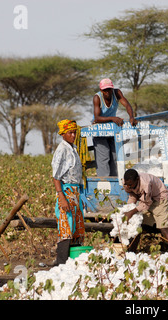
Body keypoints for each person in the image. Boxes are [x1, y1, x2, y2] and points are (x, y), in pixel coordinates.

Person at [51, 119, 86, 266]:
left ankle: (74, 263)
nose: (73, 135)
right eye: (70, 133)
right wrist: (62, 198)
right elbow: (56, 176)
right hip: (65, 192)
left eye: (74, 132)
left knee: (77, 228)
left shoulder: (73, 148)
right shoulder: (62, 150)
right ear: (63, 134)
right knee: (66, 227)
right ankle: (61, 264)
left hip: (75, 193)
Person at [122, 169, 168, 256]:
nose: (128, 186)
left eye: (130, 185)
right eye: (127, 184)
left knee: (163, 227)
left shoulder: (145, 184)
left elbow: (146, 203)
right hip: (147, 199)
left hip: (159, 199)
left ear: (137, 179)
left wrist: (131, 212)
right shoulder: (126, 182)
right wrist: (128, 208)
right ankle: (130, 254)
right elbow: (133, 196)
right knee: (137, 225)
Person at [92, 78, 138, 176]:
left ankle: (115, 180)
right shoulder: (97, 98)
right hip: (99, 130)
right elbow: (97, 118)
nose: (107, 92)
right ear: (101, 90)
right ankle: (104, 184)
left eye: (109, 89)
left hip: (112, 129)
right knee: (104, 156)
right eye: (105, 90)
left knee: (114, 155)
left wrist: (131, 117)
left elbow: (127, 105)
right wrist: (112, 118)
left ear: (112, 88)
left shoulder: (117, 93)